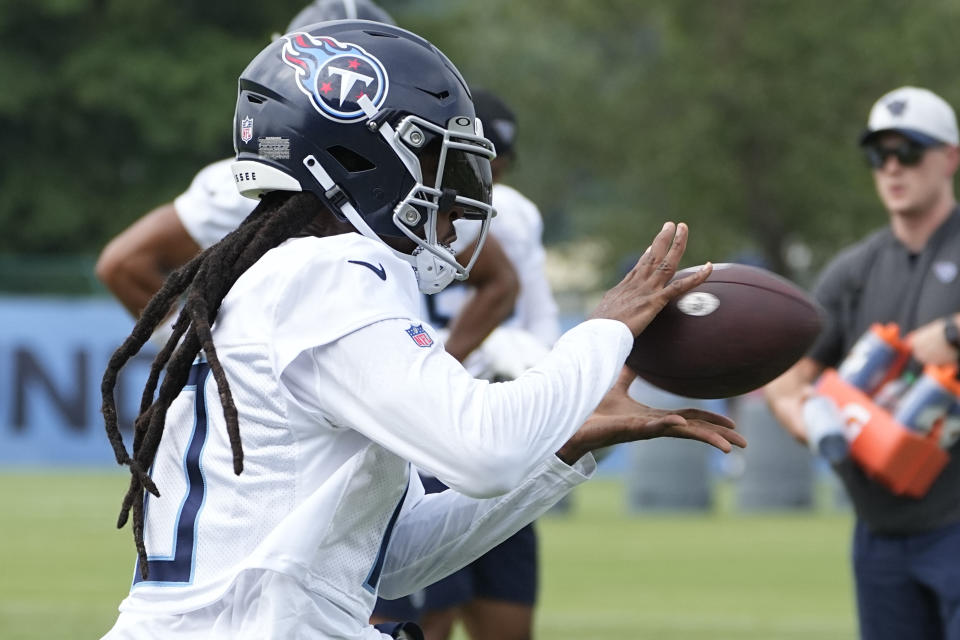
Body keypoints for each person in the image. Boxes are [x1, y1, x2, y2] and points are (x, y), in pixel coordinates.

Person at [98, 20, 743, 640]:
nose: (453, 205)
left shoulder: (279, 280)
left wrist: (562, 449)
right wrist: (601, 334)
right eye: (437, 161)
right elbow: (484, 451)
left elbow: (391, 554)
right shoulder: (332, 273)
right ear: (364, 155)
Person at [95, 0, 519, 358]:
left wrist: (441, 367)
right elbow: (123, 265)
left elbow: (499, 280)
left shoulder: (418, 187)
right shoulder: (234, 188)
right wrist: (211, 352)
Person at [765, 86, 960, 640]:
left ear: (950, 157)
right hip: (879, 531)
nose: (892, 168)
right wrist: (800, 414)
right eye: (879, 155)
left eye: (910, 151)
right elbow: (790, 371)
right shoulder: (854, 269)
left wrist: (951, 333)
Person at [372, 89, 559, 640]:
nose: (494, 171)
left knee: (506, 612)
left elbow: (528, 306)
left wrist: (534, 368)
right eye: (486, 158)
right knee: (423, 614)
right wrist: (437, 369)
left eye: (501, 161)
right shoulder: (392, 202)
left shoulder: (516, 216)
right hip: (423, 424)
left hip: (492, 409)